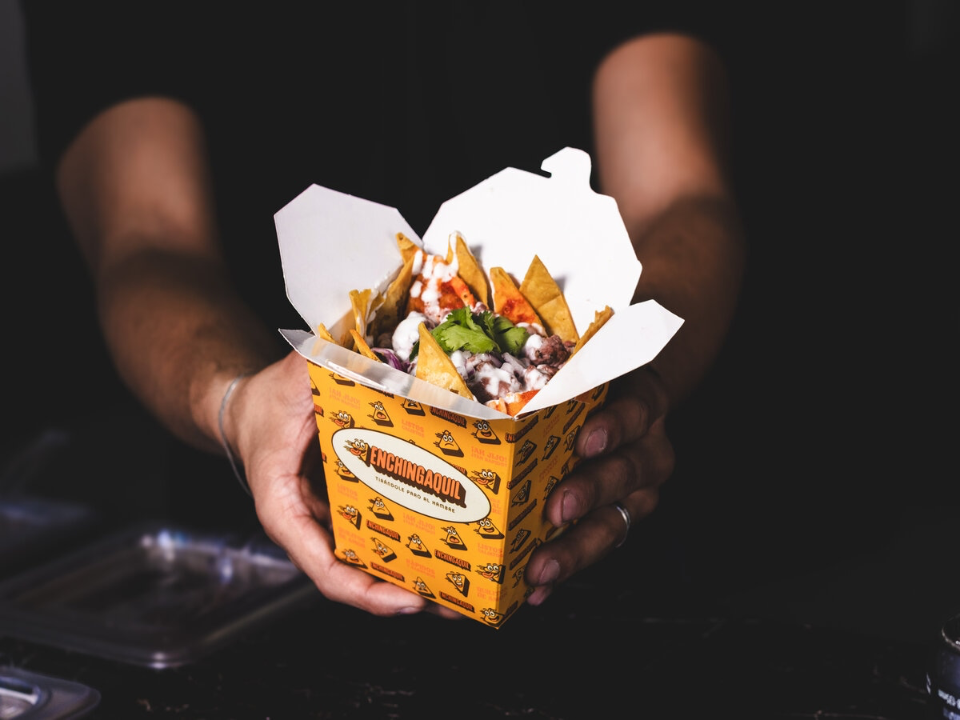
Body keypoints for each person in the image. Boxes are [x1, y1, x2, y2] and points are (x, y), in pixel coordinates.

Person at [22, 3, 744, 617]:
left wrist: (640, 387)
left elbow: (682, 198)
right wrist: (235, 400)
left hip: (606, 568)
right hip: (254, 572)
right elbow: (146, 241)